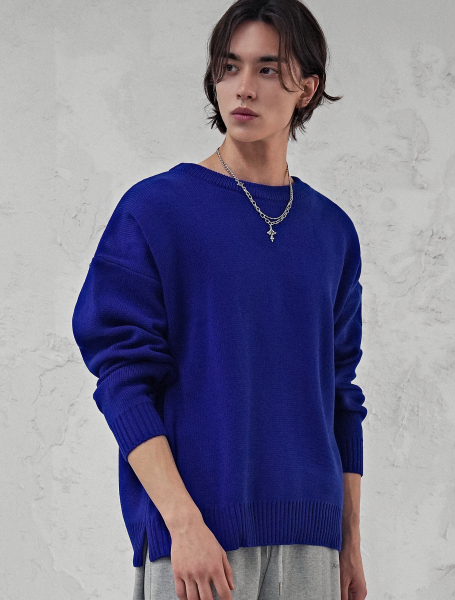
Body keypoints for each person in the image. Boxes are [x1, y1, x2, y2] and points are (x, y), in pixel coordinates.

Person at [72, 0, 368, 599]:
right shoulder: (157, 210)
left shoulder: (331, 231)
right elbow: (122, 376)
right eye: (230, 67)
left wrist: (349, 540)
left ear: (307, 89)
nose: (243, 87)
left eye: (267, 69)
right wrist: (182, 523)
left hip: (312, 544)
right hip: (196, 538)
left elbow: (341, 392)